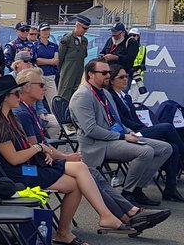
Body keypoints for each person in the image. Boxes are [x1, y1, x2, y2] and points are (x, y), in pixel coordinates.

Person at [0, 75, 132, 245]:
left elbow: (24, 146)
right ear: (5, 97)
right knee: (78, 174)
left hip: (27, 167)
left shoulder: (9, 118)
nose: (20, 96)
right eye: (16, 93)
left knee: (77, 180)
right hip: (16, 174)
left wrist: (41, 152)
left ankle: (71, 229)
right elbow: (13, 159)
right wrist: (38, 149)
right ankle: (97, 219)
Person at [11, 68, 170, 236]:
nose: (45, 87)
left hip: (43, 162)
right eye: (41, 84)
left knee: (92, 173)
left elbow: (40, 147)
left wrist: (62, 156)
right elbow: (37, 149)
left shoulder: (29, 110)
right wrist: (65, 156)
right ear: (26, 87)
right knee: (88, 173)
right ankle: (127, 215)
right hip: (35, 166)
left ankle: (129, 215)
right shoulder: (24, 113)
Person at [70, 59, 172, 207]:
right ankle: (127, 192)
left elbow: (117, 121)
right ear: (91, 74)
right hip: (97, 144)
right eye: (104, 73)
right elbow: (91, 130)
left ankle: (137, 189)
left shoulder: (105, 93)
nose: (108, 76)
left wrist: (131, 133)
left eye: (109, 73)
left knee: (165, 148)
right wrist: (123, 136)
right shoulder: (83, 96)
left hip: (115, 138)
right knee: (146, 152)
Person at [107, 65, 184, 203]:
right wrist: (142, 128)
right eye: (121, 77)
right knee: (167, 127)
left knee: (173, 147)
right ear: (111, 80)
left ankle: (170, 189)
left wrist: (146, 127)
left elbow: (135, 118)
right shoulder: (110, 97)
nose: (125, 80)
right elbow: (122, 120)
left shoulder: (126, 97)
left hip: (138, 129)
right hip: (128, 133)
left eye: (126, 76)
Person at [56, 14, 91, 100]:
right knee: (65, 90)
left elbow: (84, 54)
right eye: (84, 28)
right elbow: (60, 57)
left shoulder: (84, 40)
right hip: (68, 68)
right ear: (77, 25)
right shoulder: (67, 39)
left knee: (76, 91)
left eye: (87, 29)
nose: (85, 31)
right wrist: (61, 69)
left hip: (79, 68)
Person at [32, 23, 60, 105]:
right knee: (36, 100)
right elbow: (36, 61)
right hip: (38, 76)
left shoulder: (54, 45)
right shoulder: (34, 45)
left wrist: (42, 60)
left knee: (53, 101)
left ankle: (56, 117)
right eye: (43, 30)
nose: (46, 32)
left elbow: (56, 61)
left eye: (47, 30)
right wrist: (50, 61)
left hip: (50, 76)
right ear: (39, 32)